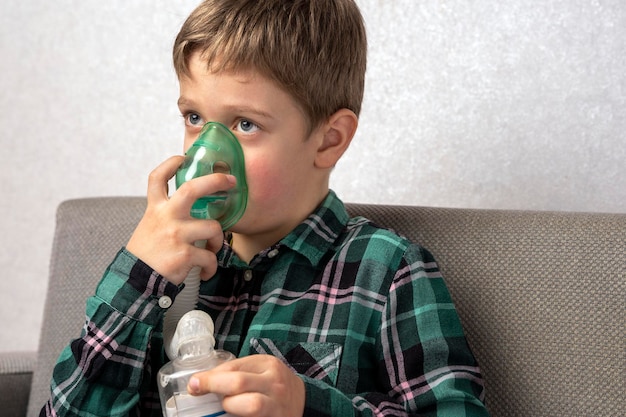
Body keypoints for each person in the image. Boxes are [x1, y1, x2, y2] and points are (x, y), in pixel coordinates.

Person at [42, 0, 489, 416]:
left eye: (245, 124)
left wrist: (306, 404)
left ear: (328, 139)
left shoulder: (384, 272)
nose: (209, 155)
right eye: (195, 118)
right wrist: (138, 277)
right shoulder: (165, 274)